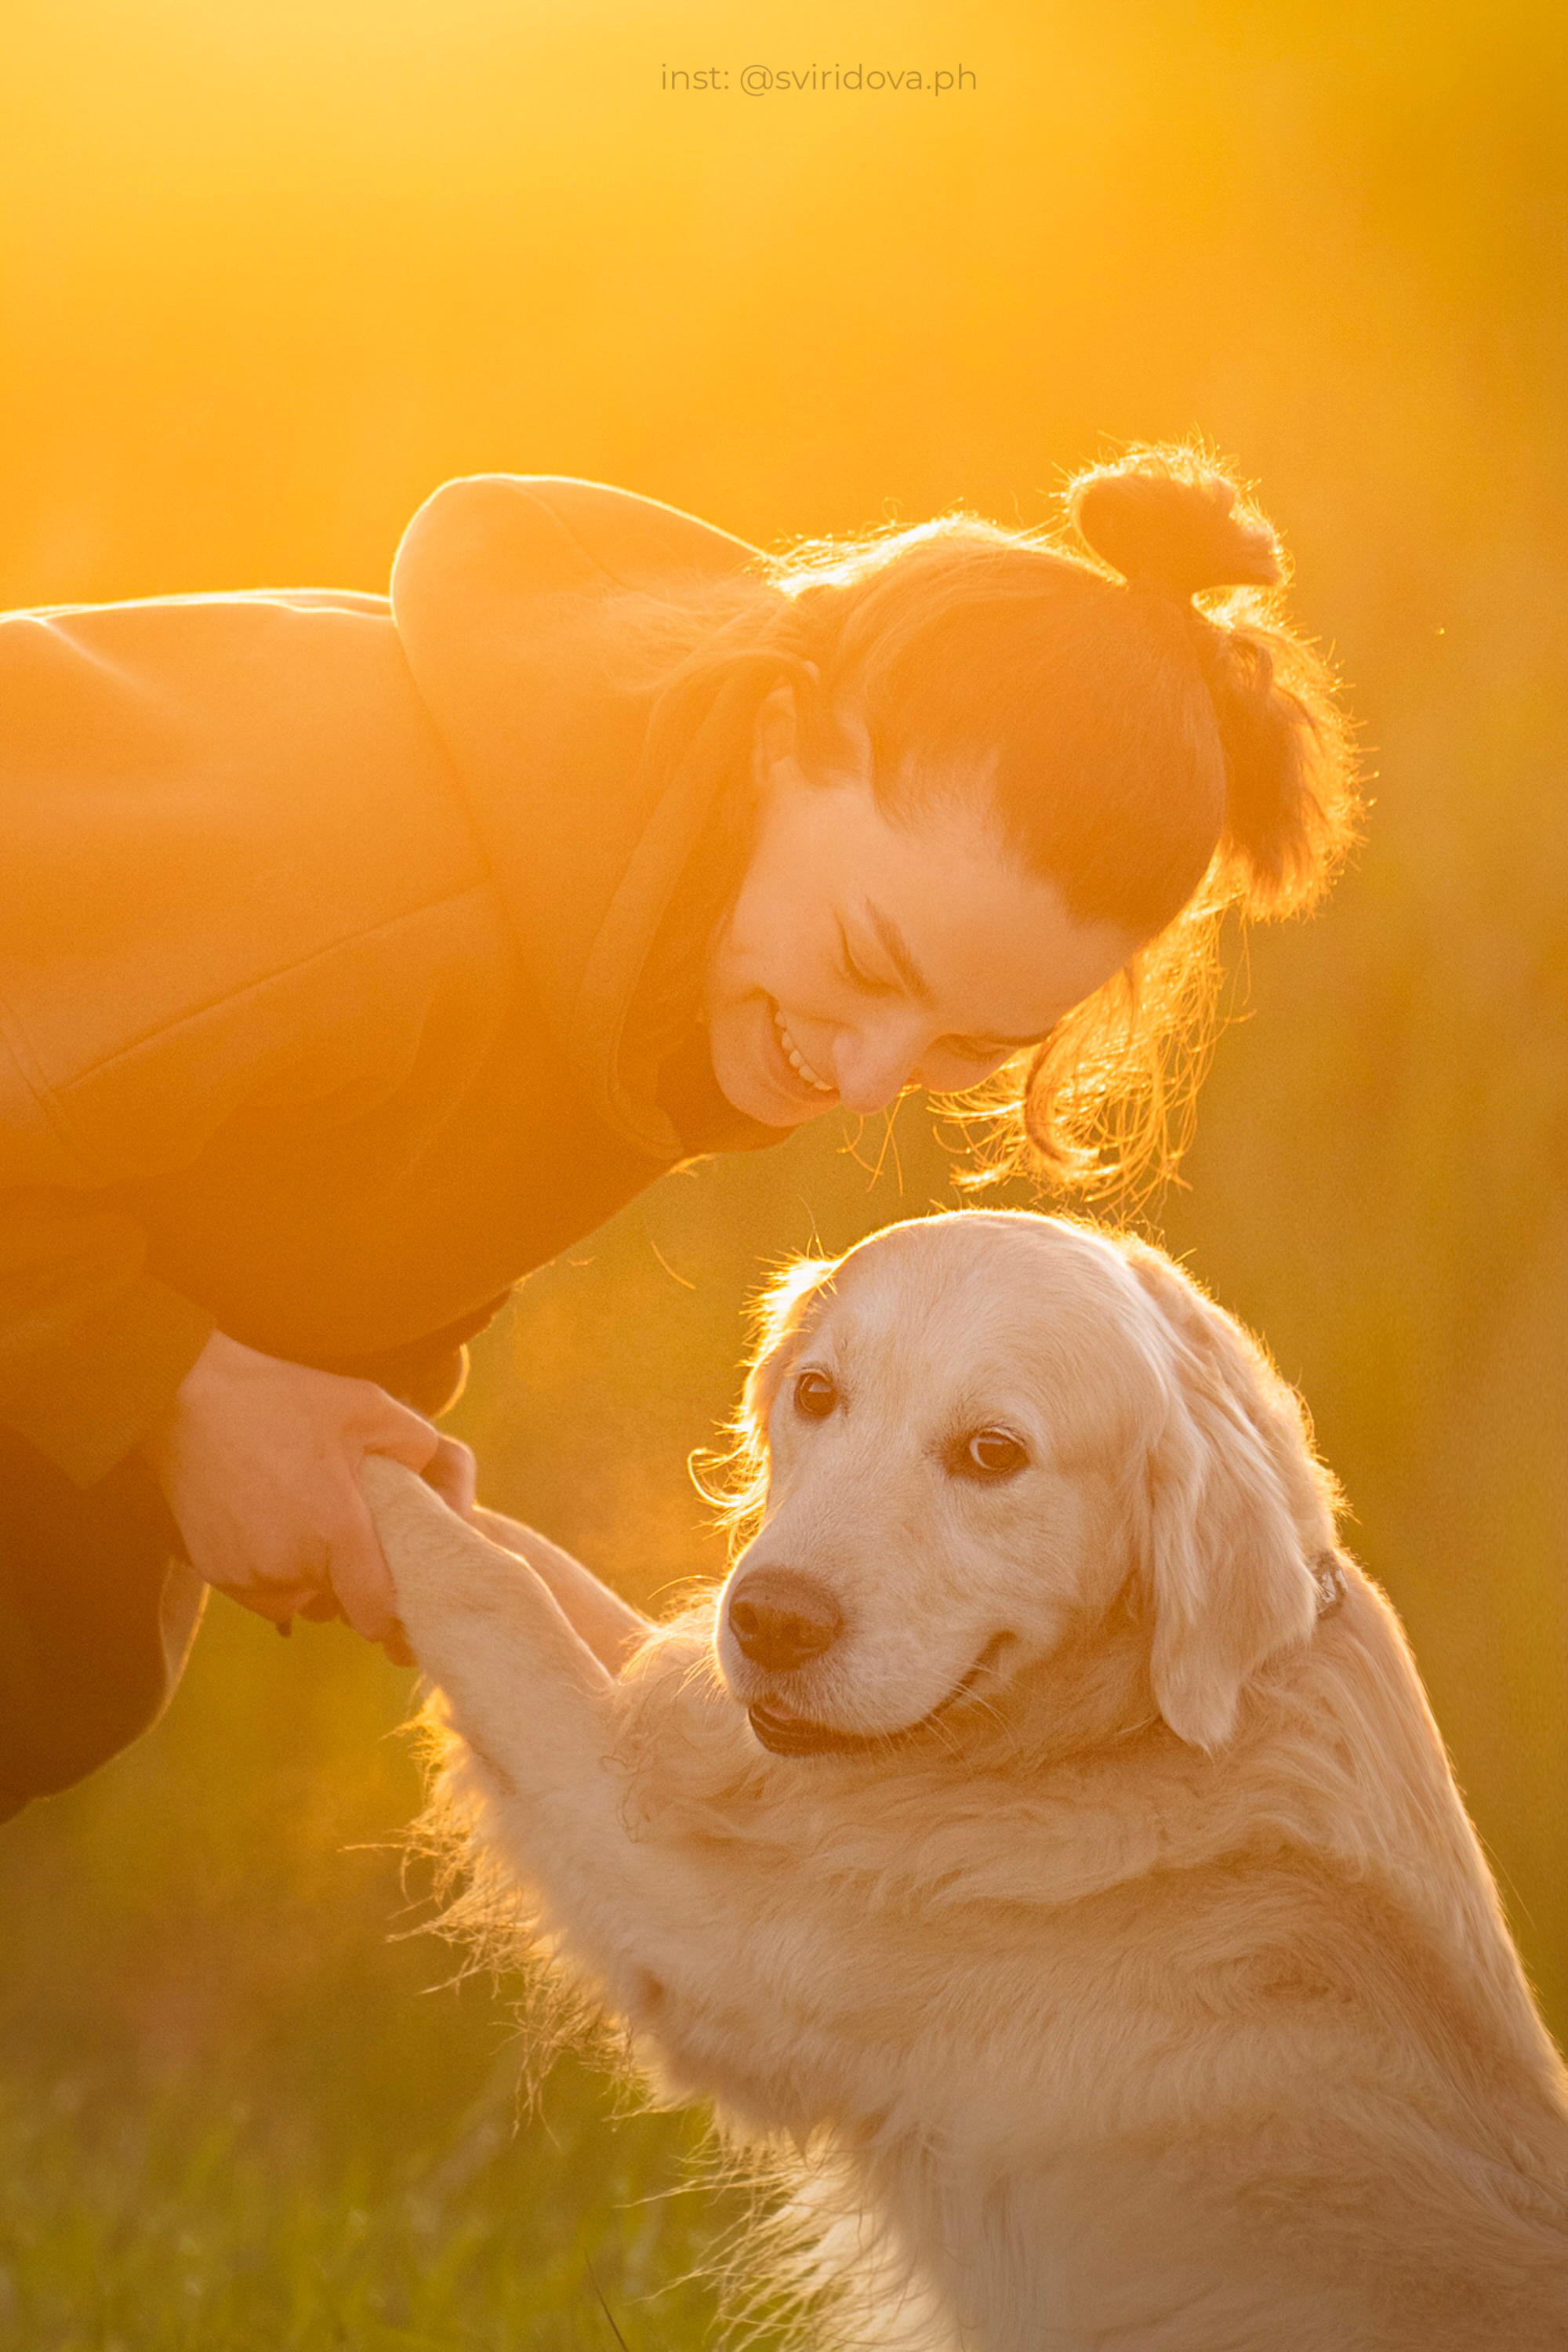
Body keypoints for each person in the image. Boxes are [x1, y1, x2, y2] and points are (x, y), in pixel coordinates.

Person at [0, 442, 1358, 1818]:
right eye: (871, 960)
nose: (873, 1079)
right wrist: (177, 1394)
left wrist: (328, 1447)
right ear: (782, 743)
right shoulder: (369, 860)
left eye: (970, 1044)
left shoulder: (665, 966)